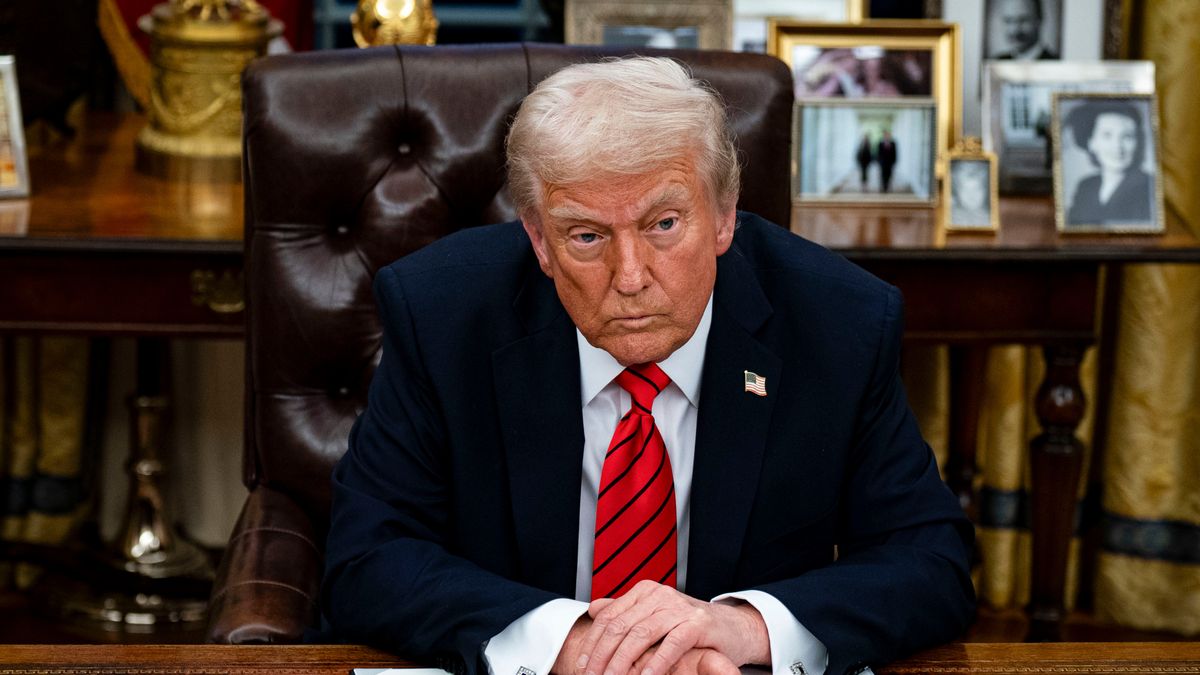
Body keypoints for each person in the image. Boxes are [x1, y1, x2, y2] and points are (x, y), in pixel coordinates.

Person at [321, 57, 975, 675]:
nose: (630, 277)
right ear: (539, 240)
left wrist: (741, 627)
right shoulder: (442, 314)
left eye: (664, 223)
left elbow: (930, 560)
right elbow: (366, 557)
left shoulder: (839, 324)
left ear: (723, 216)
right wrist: (571, 641)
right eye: (586, 236)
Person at [1064, 100, 1154, 226]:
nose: (1117, 147)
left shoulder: (1149, 187)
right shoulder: (1086, 186)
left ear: (1137, 142)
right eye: (1107, 135)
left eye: (1127, 137)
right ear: (1091, 143)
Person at [991, 0, 1059, 60]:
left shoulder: (1055, 63)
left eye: (1023, 20)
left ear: (1039, 20)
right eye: (1009, 21)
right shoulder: (997, 62)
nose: (1014, 30)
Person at [949, 160, 992, 228]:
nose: (971, 195)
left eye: (977, 189)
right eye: (965, 190)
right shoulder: (951, 217)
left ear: (985, 190)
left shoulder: (989, 218)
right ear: (957, 192)